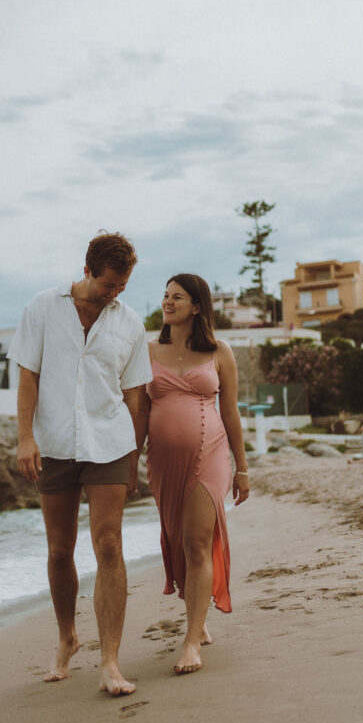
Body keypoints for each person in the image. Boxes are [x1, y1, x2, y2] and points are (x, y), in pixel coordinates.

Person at [8, 232, 152, 696]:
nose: (117, 293)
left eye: (124, 284)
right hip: (53, 444)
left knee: (109, 545)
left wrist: (133, 456)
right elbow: (27, 375)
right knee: (59, 550)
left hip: (109, 442)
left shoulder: (129, 322)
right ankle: (67, 636)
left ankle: (109, 661)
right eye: (111, 283)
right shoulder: (43, 307)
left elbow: (135, 396)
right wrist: (25, 437)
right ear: (88, 268)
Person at [144, 273, 249, 675]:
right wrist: (130, 460)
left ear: (198, 306)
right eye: (165, 295)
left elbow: (231, 412)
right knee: (177, 541)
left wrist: (242, 469)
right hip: (162, 464)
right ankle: (197, 615)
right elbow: (138, 410)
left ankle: (192, 640)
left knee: (197, 541)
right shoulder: (149, 350)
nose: (168, 302)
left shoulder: (220, 351)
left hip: (211, 455)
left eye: (178, 297)